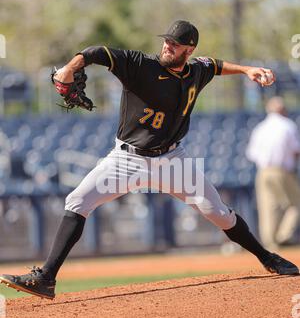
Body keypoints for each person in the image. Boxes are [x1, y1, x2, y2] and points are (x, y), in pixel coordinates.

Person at [0, 20, 298, 299]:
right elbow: (97, 52)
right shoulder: (140, 65)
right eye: (167, 41)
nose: (168, 46)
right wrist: (70, 67)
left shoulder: (196, 71)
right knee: (77, 202)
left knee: (218, 212)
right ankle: (46, 278)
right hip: (127, 159)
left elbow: (216, 65)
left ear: (189, 50)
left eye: (175, 44)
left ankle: (267, 257)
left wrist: (247, 70)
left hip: (172, 160)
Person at [246, 96, 300, 250]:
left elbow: (252, 154)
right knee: (296, 203)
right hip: (281, 170)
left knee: (268, 207)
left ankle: (270, 243)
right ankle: (284, 235)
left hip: (263, 171)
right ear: (282, 110)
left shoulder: (260, 127)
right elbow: (296, 150)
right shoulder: (288, 125)